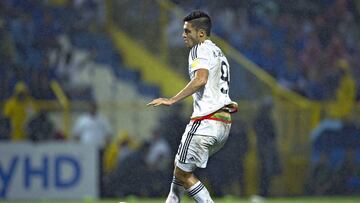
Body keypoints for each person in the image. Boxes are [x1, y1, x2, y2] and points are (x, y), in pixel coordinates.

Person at [147, 10, 238, 203]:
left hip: (205, 121)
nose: (183, 35)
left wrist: (172, 99)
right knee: (179, 171)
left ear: (201, 34)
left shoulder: (200, 49)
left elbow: (201, 79)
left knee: (183, 175)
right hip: (223, 123)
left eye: (188, 31)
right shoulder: (219, 53)